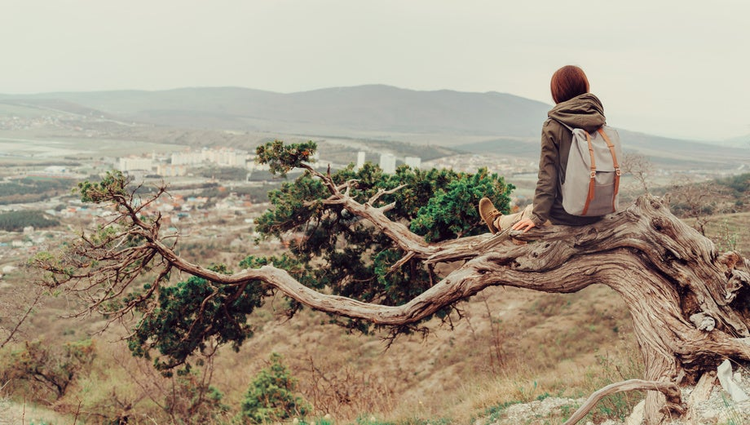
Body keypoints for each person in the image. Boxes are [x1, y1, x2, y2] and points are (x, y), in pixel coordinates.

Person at [479, 65, 607, 234]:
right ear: (586, 87)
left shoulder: (554, 126)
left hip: (568, 214)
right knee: (537, 209)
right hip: (599, 211)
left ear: (557, 93)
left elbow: (548, 178)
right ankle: (502, 221)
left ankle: (497, 223)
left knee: (531, 212)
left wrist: (537, 217)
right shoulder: (599, 122)